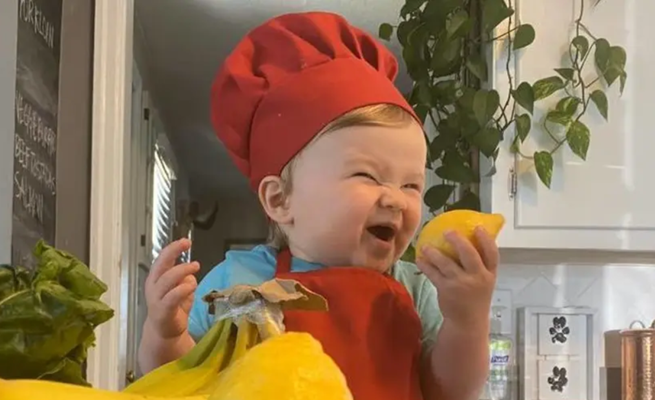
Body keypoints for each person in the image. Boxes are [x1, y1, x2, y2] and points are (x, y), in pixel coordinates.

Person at [138, 11, 499, 400]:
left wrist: (467, 320)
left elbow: (450, 392)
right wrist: (166, 335)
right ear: (280, 199)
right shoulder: (236, 282)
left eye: (411, 184)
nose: (395, 198)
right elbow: (181, 382)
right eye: (367, 176)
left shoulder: (416, 288)